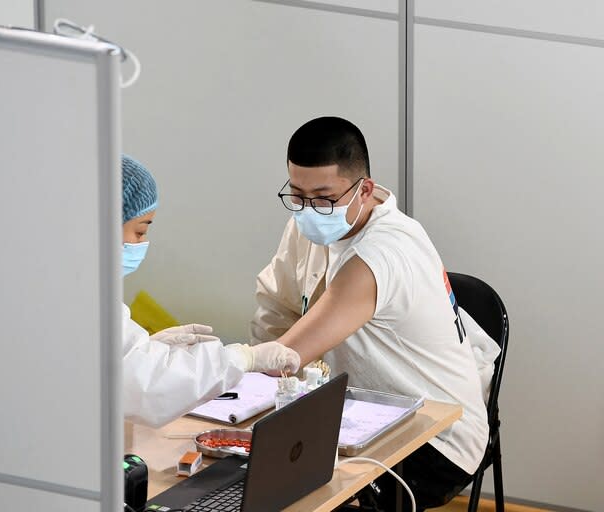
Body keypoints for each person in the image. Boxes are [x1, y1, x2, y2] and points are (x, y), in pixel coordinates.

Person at [250, 117, 500, 511]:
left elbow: (286, 353)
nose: (308, 210)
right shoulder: (312, 222)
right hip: (356, 410)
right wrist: (268, 395)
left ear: (364, 189)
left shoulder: (381, 254)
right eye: (296, 195)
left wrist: (213, 365)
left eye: (323, 198)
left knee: (292, 489)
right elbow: (275, 305)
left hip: (435, 439)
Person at [120, 155, 300, 428]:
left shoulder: (70, 285)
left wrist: (146, 349)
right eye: (140, 231)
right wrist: (244, 358)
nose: (143, 243)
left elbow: (119, 367)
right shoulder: (79, 300)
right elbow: (148, 387)